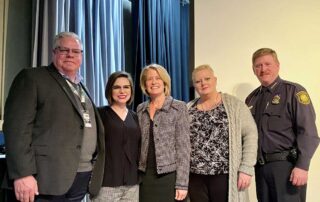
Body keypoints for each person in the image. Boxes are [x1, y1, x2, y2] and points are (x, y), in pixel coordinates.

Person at [3, 32, 105, 202]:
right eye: (64, 50)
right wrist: (23, 174)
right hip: (44, 180)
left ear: (81, 56)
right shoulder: (33, 77)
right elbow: (16, 129)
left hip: (79, 177)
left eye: (75, 51)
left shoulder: (81, 86)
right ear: (54, 52)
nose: (70, 54)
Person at [245, 48, 320, 202]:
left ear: (278, 66)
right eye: (258, 66)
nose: (263, 69)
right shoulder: (251, 99)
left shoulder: (293, 91)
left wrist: (302, 166)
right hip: (261, 168)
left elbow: (308, 132)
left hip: (287, 167)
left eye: (267, 64)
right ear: (253, 70)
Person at [187, 64, 258, 202]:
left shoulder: (235, 105)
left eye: (207, 78)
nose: (203, 83)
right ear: (194, 85)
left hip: (224, 175)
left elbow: (250, 135)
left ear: (215, 80)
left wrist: (246, 168)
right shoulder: (188, 108)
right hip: (195, 177)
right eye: (198, 81)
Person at [137, 64, 191, 202]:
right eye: (149, 79)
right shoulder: (140, 109)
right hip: (144, 177)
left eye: (158, 78)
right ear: (144, 84)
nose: (154, 82)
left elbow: (183, 148)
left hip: (169, 178)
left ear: (164, 82)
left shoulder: (179, 107)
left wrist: (182, 184)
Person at [92, 71, 141, 202]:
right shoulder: (99, 114)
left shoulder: (135, 117)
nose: (122, 91)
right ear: (110, 90)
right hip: (106, 185)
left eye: (126, 87)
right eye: (116, 87)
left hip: (132, 185)